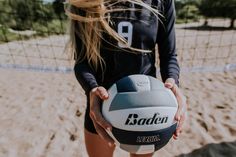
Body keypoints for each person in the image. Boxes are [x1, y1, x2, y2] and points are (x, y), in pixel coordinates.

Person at [67, 0, 187, 157]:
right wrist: (92, 88)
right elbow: (82, 62)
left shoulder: (161, 2)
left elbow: (169, 56)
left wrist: (173, 82)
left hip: (148, 108)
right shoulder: (84, 2)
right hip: (101, 107)